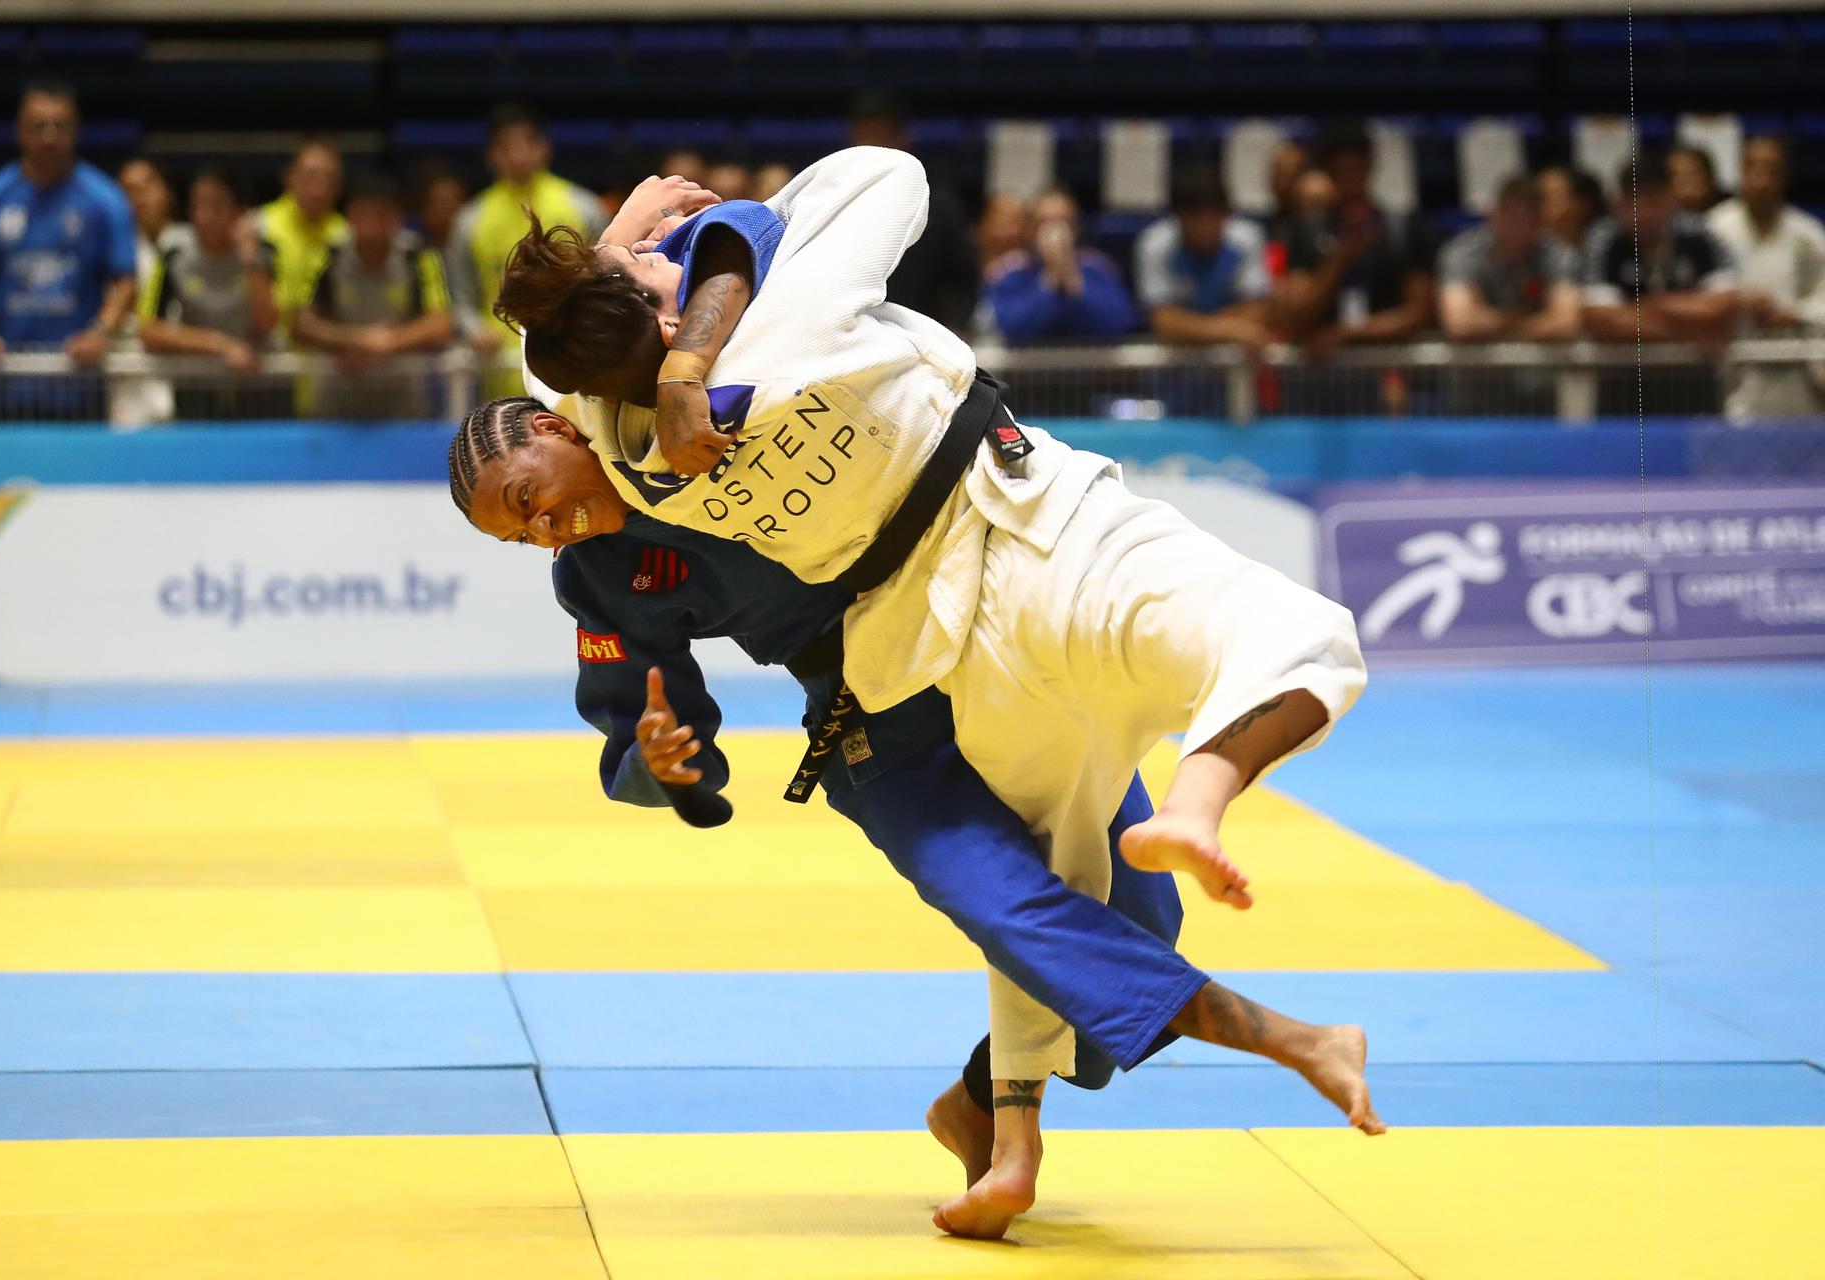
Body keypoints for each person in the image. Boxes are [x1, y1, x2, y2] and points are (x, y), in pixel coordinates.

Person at [488, 146, 1379, 1236]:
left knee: (1134, 918)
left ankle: (984, 1108)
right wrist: (661, 766)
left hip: (993, 575)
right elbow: (636, 724)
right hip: (872, 693)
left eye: (532, 500)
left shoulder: (699, 347)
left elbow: (775, 225)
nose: (543, 531)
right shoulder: (599, 547)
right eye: (517, 529)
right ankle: (1264, 1041)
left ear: (553, 427)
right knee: (1012, 900)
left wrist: (633, 253)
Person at [0, 80, 136, 379]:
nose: (50, 137)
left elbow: (126, 279)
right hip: (4, 374)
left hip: (78, 380)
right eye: (38, 126)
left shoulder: (106, 198)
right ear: (19, 130)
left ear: (77, 130)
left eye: (60, 126)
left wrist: (100, 332)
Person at [447, 103, 607, 395]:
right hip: (500, 370)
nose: (518, 155)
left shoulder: (585, 208)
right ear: (491, 154)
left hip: (574, 364)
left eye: (527, 144)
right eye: (507, 147)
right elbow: (460, 299)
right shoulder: (469, 221)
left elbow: (606, 280)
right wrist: (474, 331)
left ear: (544, 148)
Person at [293, 174, 451, 419]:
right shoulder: (325, 255)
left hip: (402, 405)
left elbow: (440, 325)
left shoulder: (419, 256)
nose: (371, 227)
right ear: (349, 218)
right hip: (337, 402)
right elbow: (302, 325)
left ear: (397, 218)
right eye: (362, 215)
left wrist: (389, 342)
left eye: (381, 216)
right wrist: (358, 340)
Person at [1277, 120, 1436, 354]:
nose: (1349, 182)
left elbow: (1419, 313)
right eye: (1340, 173)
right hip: (1319, 378)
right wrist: (1339, 259)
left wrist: (1347, 333)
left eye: (1355, 170)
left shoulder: (1404, 229)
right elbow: (1296, 313)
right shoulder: (1305, 231)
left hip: (1391, 372)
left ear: (1370, 167)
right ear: (1327, 173)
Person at [137, 169, 280, 416]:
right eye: (196, 206)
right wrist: (220, 345)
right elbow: (149, 331)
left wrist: (250, 260)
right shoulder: (174, 256)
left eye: (215, 207)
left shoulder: (265, 252)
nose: (202, 217)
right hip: (197, 395)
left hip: (258, 392)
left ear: (240, 213)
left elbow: (267, 324)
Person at [1705, 136, 1825, 421]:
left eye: (1771, 170)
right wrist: (1736, 304)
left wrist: (1795, 313)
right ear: (1739, 172)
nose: (1761, 180)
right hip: (1725, 365)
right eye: (1752, 168)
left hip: (1792, 369)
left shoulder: (1807, 235)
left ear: (1785, 177)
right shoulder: (1712, 228)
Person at [848, 93, 981, 335]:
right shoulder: (838, 199)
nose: (873, 146)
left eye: (882, 136)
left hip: (922, 341)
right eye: (865, 136)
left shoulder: (937, 202)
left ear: (902, 139)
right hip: (854, 339)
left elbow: (964, 275)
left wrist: (956, 328)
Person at [1581, 153, 1739, 347]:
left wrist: (1645, 305)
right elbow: (1601, 321)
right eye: (1634, 201)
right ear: (1619, 203)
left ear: (1671, 198)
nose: (1644, 212)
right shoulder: (1603, 239)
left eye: (1654, 200)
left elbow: (1725, 306)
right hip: (1623, 372)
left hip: (1695, 373)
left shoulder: (1698, 233)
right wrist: (1690, 329)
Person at [1134, 166, 1274, 352]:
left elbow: (1256, 313)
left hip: (1233, 365)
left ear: (1226, 213)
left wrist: (1189, 325)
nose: (1204, 227)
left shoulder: (1247, 238)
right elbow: (1164, 323)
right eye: (1195, 217)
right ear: (1178, 217)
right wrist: (1233, 330)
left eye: (1213, 215)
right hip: (1174, 367)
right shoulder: (1154, 245)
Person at [982, 188, 1139, 345]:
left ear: (1076, 227)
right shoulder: (1009, 272)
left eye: (1063, 221)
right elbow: (1010, 329)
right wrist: (1050, 280)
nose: (1055, 232)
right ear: (1029, 229)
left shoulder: (1099, 268)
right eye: (1044, 222)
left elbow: (1117, 326)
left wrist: (1072, 278)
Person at [1437, 176, 1580, 341]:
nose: (1519, 227)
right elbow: (1459, 324)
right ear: (1493, 214)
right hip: (1477, 362)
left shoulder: (1559, 254)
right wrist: (1530, 320)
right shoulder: (1461, 252)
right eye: (1512, 216)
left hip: (1543, 361)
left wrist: (1489, 319)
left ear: (1542, 221)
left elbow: (1566, 324)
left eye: (1529, 218)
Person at [253, 135, 346, 337]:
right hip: (267, 352)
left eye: (329, 179)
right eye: (311, 176)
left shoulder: (345, 236)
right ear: (289, 176)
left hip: (328, 354)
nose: (319, 188)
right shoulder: (258, 226)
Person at [118, 156, 193, 283]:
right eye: (129, 189)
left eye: (147, 185)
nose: (140, 196)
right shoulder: (117, 252)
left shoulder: (194, 242)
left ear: (169, 192)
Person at [1536, 165, 1608, 253]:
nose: (1538, 208)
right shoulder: (1541, 246)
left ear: (1583, 205)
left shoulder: (1610, 245)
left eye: (1546, 198)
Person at [1668, 143, 1724, 217]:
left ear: (1709, 177)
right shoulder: (1665, 219)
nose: (1682, 183)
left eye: (1691, 174)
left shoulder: (1731, 214)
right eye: (1675, 175)